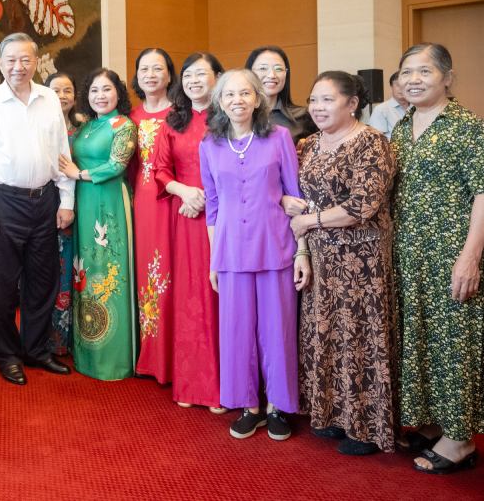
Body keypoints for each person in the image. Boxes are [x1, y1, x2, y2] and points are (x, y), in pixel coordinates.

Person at [286, 72, 397, 456]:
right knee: (324, 333)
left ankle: (365, 427)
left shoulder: (372, 142)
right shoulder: (307, 144)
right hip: (319, 257)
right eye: (313, 99)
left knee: (358, 339)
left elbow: (363, 205)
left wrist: (310, 221)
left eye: (327, 100)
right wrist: (301, 245)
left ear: (352, 104)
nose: (317, 107)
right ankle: (331, 413)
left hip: (360, 260)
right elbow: (294, 200)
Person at [200, 69, 308, 441]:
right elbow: (212, 205)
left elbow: (295, 198)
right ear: (219, 101)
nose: (238, 100)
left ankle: (278, 405)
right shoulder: (209, 145)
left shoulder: (279, 137)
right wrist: (214, 259)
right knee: (237, 331)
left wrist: (302, 252)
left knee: (278, 331)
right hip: (230, 250)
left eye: (245, 93)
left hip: (275, 245)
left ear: (258, 98)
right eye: (229, 94)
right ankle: (250, 406)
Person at [391, 43, 482, 474]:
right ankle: (431, 422)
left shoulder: (468, 128)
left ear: (447, 77)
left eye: (424, 71)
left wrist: (471, 256)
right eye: (407, 72)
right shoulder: (401, 126)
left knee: (454, 343)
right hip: (408, 255)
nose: (414, 79)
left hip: (451, 253)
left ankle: (461, 439)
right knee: (420, 339)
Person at [0, 32, 75, 385]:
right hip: (4, 202)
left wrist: (67, 200)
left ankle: (36, 350)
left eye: (25, 59)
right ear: (0, 63)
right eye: (11, 60)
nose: (18, 66)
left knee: (42, 280)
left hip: (45, 199)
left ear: (36, 61)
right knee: (2, 284)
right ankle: (7, 355)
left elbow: (62, 152)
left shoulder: (48, 98)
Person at [154, 52, 224, 409]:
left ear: (218, 77)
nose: (194, 80)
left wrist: (204, 198)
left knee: (219, 295)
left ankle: (223, 387)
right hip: (186, 216)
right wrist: (185, 192)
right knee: (190, 296)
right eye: (188, 75)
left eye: (201, 74)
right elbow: (160, 170)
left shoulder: (228, 118)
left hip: (224, 216)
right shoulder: (173, 121)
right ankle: (191, 384)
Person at [59, 69, 137, 380]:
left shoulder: (124, 125)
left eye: (107, 89)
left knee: (109, 270)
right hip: (85, 202)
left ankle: (113, 359)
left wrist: (79, 174)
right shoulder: (87, 126)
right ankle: (88, 354)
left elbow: (117, 165)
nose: (100, 96)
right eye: (94, 90)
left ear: (119, 92)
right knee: (85, 269)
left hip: (109, 201)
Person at [128, 48, 175, 382]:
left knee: (171, 272)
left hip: (172, 200)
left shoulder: (180, 114)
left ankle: (173, 355)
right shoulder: (130, 117)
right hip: (141, 201)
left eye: (158, 69)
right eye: (144, 69)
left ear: (170, 75)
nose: (151, 75)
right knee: (147, 272)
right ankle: (150, 353)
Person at [45, 71, 83, 356]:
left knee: (77, 269)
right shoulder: (41, 126)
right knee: (52, 271)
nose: (62, 96)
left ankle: (79, 338)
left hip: (85, 204)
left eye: (67, 90)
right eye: (55, 90)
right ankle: (52, 340)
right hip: (49, 205)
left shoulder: (86, 128)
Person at [246, 45, 316, 143]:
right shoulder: (238, 116)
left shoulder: (304, 117)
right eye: (263, 68)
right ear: (249, 73)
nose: (272, 75)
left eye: (278, 69)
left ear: (286, 74)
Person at [368, 71, 408, 139]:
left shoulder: (418, 107)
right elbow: (376, 140)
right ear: (391, 87)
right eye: (398, 85)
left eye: (405, 85)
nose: (401, 89)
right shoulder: (381, 110)